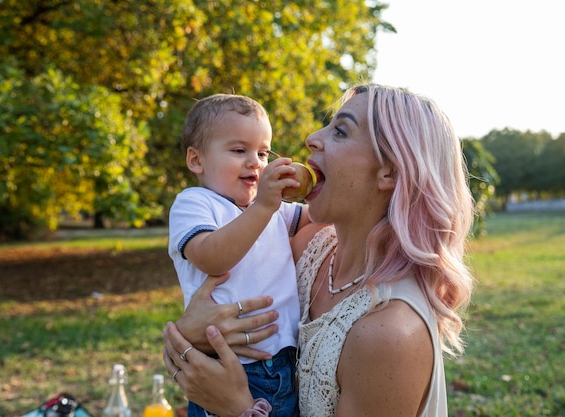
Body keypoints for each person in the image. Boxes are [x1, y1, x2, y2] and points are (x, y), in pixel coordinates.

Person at [163, 84, 475, 417]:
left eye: (340, 131)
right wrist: (189, 334)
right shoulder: (307, 249)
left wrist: (237, 408)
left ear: (389, 172)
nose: (312, 137)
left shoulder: (389, 332)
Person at [167, 93, 312, 417]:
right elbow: (211, 257)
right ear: (196, 160)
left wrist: (314, 187)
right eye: (239, 150)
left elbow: (317, 215)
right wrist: (263, 205)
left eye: (263, 152)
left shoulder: (272, 210)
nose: (256, 163)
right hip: (230, 366)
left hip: (284, 366)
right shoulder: (195, 203)